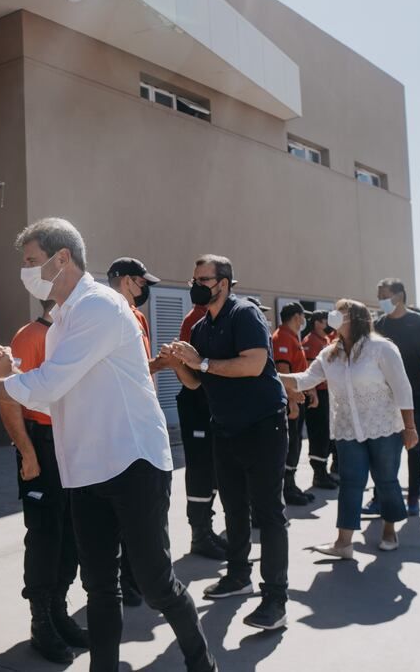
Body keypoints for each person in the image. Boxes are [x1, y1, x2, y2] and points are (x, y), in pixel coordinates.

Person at [0, 218, 217, 672]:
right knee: (99, 587)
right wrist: (6, 371)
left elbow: (48, 385)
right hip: (84, 469)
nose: (27, 271)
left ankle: (201, 662)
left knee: (155, 585)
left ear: (63, 259)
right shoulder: (61, 322)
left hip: (132, 463)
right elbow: (53, 386)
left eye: (32, 262)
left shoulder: (100, 307)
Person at [166, 254, 289, 631]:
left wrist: (201, 362)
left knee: (267, 513)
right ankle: (238, 576)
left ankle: (275, 600)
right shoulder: (202, 326)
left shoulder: (245, 313)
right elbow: (197, 382)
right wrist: (178, 364)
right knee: (234, 509)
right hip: (225, 428)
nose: (196, 284)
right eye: (193, 277)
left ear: (224, 282)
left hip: (263, 426)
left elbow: (252, 364)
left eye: (203, 278)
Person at [281, 300, 418, 558]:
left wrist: (409, 427)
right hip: (347, 430)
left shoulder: (381, 348)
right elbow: (305, 379)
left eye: (340, 311)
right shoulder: (329, 353)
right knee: (351, 484)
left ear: (354, 317)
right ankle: (343, 543)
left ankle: (389, 530)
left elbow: (402, 387)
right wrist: (271, 375)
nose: (333, 314)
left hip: (383, 427)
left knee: (386, 480)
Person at [0, 300, 88, 664]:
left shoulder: (72, 338)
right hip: (42, 443)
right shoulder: (29, 337)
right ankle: (40, 622)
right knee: (45, 535)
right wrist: (28, 452)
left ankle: (58, 611)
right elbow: (10, 399)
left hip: (72, 443)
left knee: (71, 532)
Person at [106, 257, 162, 605]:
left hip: (138, 424)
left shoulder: (138, 317)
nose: (144, 291)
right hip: (114, 423)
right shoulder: (106, 313)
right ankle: (119, 581)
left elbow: (139, 371)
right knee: (117, 509)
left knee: (140, 507)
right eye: (142, 284)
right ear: (127, 281)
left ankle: (133, 577)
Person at [364, 279, 420, 517]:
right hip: (382, 397)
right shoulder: (378, 325)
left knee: (413, 446)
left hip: (415, 394)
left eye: (384, 295)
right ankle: (380, 498)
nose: (380, 300)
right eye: (379, 295)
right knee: (381, 448)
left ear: (399, 296)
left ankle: (413, 498)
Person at [174, 301, 228, 560]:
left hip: (211, 404)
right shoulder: (196, 319)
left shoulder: (215, 318)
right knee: (200, 469)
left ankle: (206, 527)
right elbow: (189, 372)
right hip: (196, 404)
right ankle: (200, 533)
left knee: (212, 469)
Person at [272, 303, 316, 505]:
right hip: (291, 400)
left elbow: (301, 368)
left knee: (296, 442)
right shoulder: (281, 336)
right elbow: (283, 369)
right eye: (302, 316)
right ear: (296, 316)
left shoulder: (291, 337)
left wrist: (310, 390)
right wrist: (292, 401)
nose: (303, 320)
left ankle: (291, 484)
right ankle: (287, 488)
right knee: (291, 445)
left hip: (299, 397)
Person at [302, 311, 338, 489]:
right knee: (319, 433)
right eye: (325, 320)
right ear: (317, 322)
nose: (328, 323)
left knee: (326, 433)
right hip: (318, 392)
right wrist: (313, 392)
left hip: (328, 391)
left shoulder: (324, 339)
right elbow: (309, 370)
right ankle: (319, 473)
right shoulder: (310, 341)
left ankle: (324, 471)